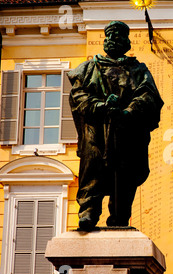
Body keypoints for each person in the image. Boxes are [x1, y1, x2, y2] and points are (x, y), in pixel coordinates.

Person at [67, 21, 164, 231]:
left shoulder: (138, 70)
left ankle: (120, 216)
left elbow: (148, 96)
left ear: (127, 43)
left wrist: (128, 112)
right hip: (96, 130)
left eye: (119, 36)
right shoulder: (88, 68)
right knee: (92, 169)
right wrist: (101, 106)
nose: (114, 40)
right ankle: (88, 212)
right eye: (110, 36)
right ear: (105, 41)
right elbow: (78, 96)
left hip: (127, 131)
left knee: (124, 175)